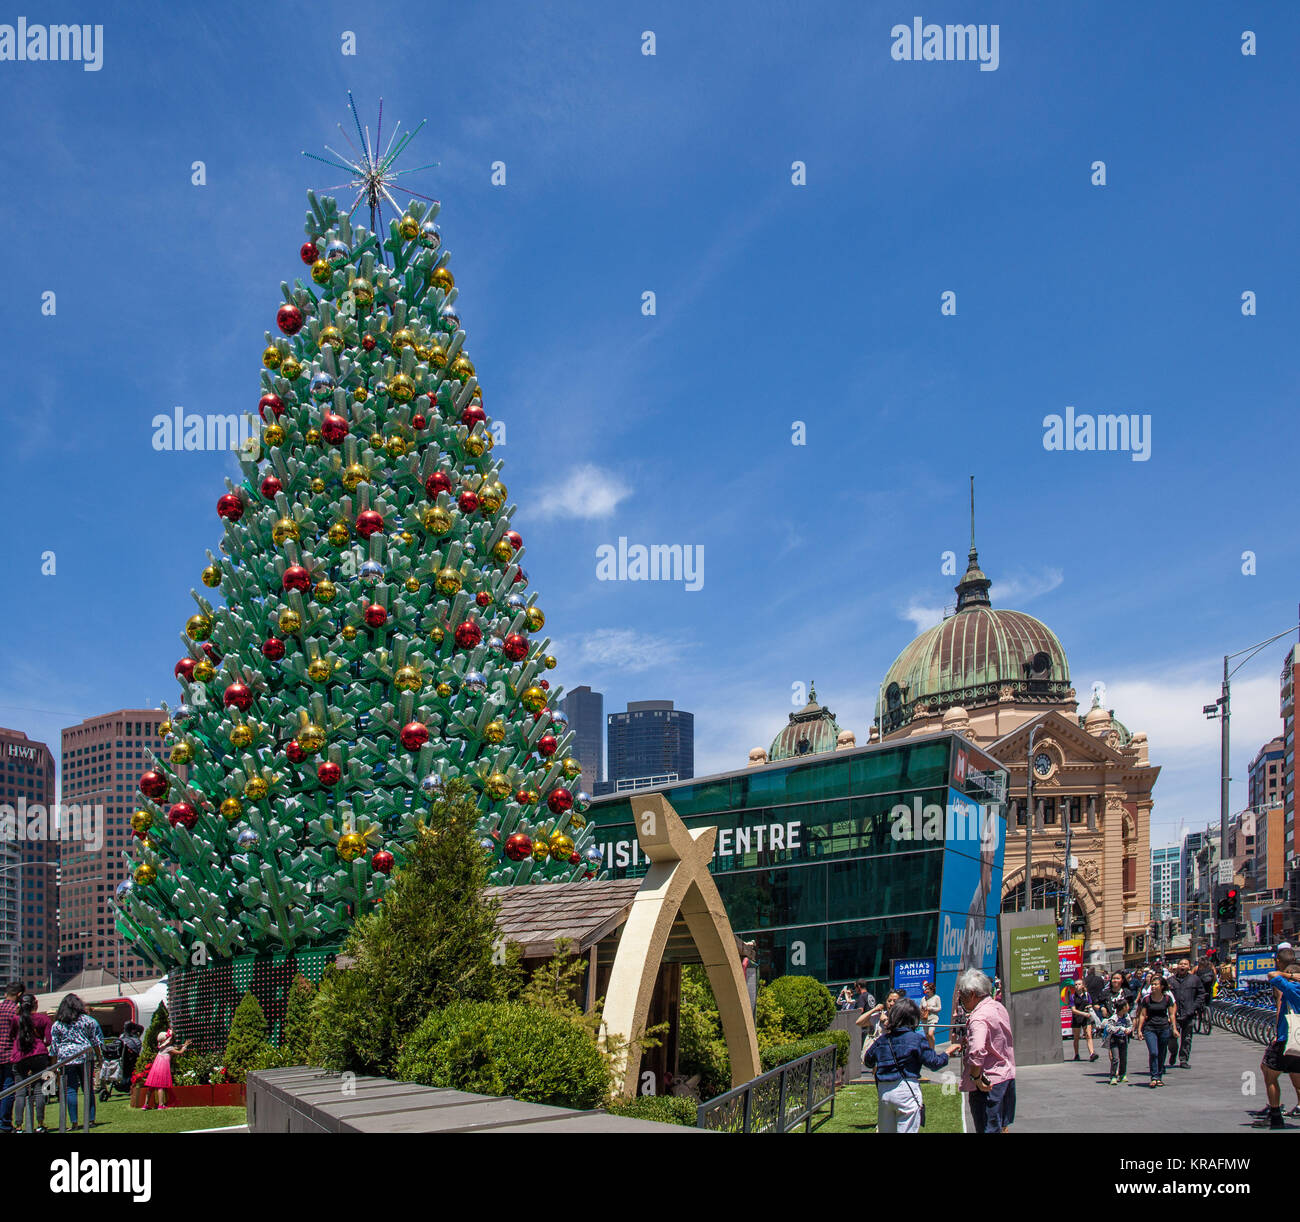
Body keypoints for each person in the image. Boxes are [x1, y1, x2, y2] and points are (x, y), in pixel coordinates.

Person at [862, 998, 949, 1133]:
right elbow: (934, 1063)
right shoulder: (916, 1039)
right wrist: (947, 1053)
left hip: (885, 1092)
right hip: (906, 1089)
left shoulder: (882, 1040)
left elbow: (868, 1061)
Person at [945, 968, 1016, 1134]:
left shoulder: (979, 1017)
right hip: (1006, 1076)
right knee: (1001, 1127)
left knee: (988, 1128)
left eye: (962, 995)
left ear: (972, 994)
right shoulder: (997, 1007)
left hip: (987, 1082)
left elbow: (977, 1050)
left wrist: (976, 1077)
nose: (960, 998)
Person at [1253, 946, 1300, 1129]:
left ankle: (1275, 1116)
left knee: (1269, 1073)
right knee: (1296, 1076)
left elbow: (1272, 975)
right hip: (1298, 1042)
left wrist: (1288, 976)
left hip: (1285, 1038)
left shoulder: (1292, 987)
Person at [50, 993, 104, 1127]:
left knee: (70, 1090)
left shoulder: (57, 1024)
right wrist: (99, 1057)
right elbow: (96, 1041)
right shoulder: (88, 1020)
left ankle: (74, 1122)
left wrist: (54, 1065)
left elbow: (54, 1047)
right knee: (88, 1088)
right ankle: (90, 1120)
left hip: (65, 1059)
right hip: (85, 1056)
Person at [7, 993, 52, 1132]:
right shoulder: (44, 1019)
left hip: (20, 1055)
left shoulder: (16, 1019)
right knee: (39, 1090)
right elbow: (49, 1040)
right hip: (39, 1055)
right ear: (35, 1004)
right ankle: (40, 1124)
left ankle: (19, 1126)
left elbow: (12, 1036)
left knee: (20, 1092)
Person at [1134, 973, 1178, 1088]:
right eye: (1152, 984)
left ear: (1162, 986)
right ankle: (1154, 1076)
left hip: (1164, 1028)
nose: (1153, 986)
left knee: (1162, 1053)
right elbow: (1142, 1015)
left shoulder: (1167, 999)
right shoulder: (1147, 999)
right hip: (1150, 1028)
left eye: (1155, 984)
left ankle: (1158, 1077)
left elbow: (1172, 1014)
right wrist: (1139, 1030)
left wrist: (1174, 1028)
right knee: (1154, 1052)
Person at [1167, 958, 1207, 1069]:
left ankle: (1183, 1059)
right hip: (1174, 1015)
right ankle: (1173, 1052)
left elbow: (1201, 994)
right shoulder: (1170, 981)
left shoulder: (1195, 980)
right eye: (1181, 964)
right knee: (1171, 1038)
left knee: (1187, 1038)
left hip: (1189, 1013)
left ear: (1189, 967)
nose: (1183, 966)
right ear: (1177, 966)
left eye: (1185, 964)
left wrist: (1194, 1007)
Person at [144, 1030, 191, 1110]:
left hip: (155, 1067)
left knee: (151, 1087)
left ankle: (145, 1104)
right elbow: (179, 1052)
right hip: (162, 1067)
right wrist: (185, 1046)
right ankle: (161, 1105)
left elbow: (175, 1047)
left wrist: (183, 1044)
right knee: (160, 1086)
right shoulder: (169, 1048)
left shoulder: (163, 1047)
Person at [0, 981, 21, 1134]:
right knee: (8, 1091)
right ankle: (5, 1124)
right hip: (9, 1055)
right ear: (19, 995)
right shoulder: (16, 1011)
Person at [1100, 998, 1134, 1085]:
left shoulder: (1127, 1016)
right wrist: (1119, 1028)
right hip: (1114, 1040)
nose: (1128, 1007)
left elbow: (1130, 1025)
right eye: (1126, 1005)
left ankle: (1122, 1074)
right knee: (1115, 1058)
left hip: (1123, 1039)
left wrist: (1129, 1030)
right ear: (1123, 1007)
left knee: (1123, 1058)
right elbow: (1109, 1028)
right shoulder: (1114, 1018)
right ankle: (1113, 1076)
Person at [1068, 978, 1099, 1062]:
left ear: (1083, 986)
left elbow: (1090, 1003)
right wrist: (1083, 1013)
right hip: (1077, 1018)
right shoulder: (1072, 996)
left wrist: (1090, 1006)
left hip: (1086, 1018)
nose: (1077, 986)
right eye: (1076, 984)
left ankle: (1092, 1053)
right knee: (1076, 1037)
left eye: (1079, 984)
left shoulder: (1087, 995)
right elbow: (1073, 1010)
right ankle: (1076, 1054)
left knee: (1088, 1035)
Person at [920, 980, 942, 1050]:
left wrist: (930, 1008)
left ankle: (933, 1049)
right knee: (927, 1035)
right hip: (925, 1019)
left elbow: (939, 1008)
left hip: (933, 1018)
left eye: (928, 989)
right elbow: (920, 1007)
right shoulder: (923, 999)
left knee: (930, 1034)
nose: (926, 990)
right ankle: (929, 1049)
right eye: (926, 989)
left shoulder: (936, 997)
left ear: (932, 990)